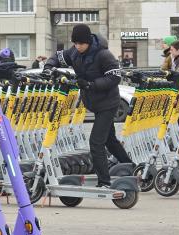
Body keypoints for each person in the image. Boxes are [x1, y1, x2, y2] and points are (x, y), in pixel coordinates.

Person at [42, 24, 133, 188]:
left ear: (88, 41)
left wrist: (91, 84)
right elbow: (58, 56)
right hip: (94, 103)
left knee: (96, 142)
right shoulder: (75, 52)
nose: (78, 47)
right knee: (110, 140)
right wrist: (49, 66)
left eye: (81, 44)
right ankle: (130, 167)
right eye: (75, 43)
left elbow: (114, 77)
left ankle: (104, 182)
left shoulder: (103, 55)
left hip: (108, 103)